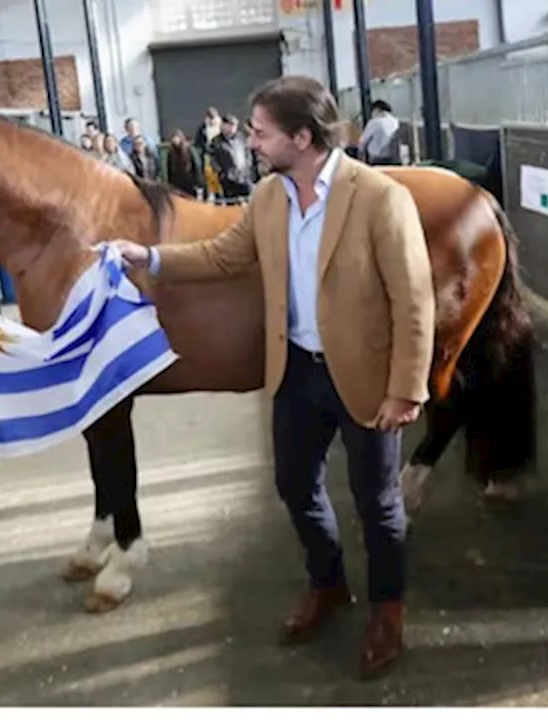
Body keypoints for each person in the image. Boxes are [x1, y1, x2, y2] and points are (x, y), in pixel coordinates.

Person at [109, 75, 434, 680]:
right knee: (294, 485)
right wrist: (148, 257)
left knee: (378, 504)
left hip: (364, 378)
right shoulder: (267, 197)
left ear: (302, 137)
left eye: (261, 132)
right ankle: (329, 582)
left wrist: (405, 389)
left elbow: (415, 300)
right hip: (297, 373)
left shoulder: (379, 197)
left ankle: (388, 613)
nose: (250, 142)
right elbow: (223, 256)